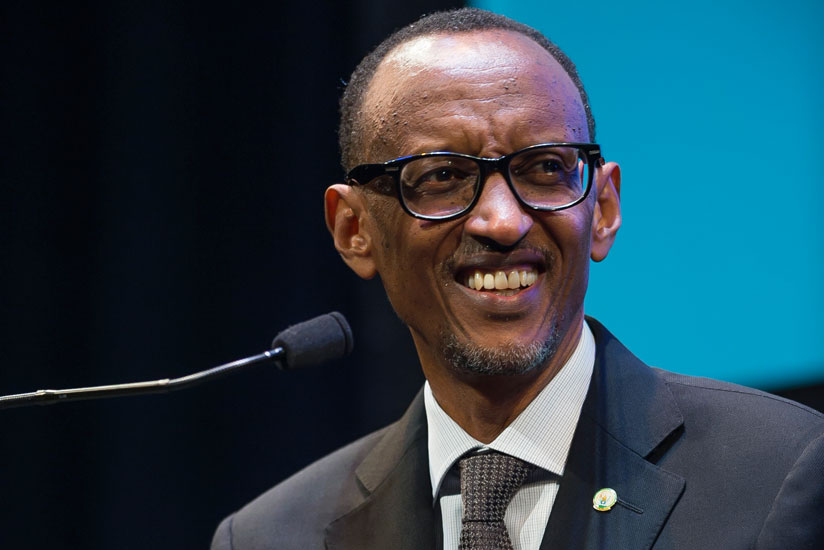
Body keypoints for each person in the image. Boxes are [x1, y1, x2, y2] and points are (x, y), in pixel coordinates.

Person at [211, 8, 824, 549]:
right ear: (353, 229)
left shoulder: (784, 473)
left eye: (545, 168)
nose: (502, 222)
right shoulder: (271, 536)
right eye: (442, 176)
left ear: (603, 210)